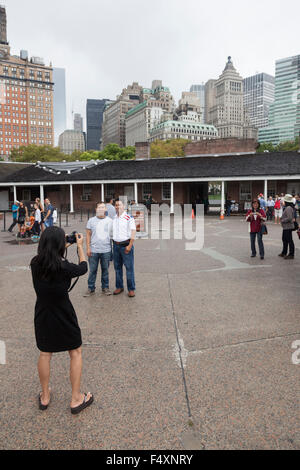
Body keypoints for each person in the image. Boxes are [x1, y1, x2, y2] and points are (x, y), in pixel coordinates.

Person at [30, 227, 93, 414]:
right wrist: (79, 246)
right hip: (64, 313)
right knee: (75, 351)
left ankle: (45, 396)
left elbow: (49, 257)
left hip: (42, 313)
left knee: (45, 353)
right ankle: (75, 398)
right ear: (59, 246)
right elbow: (83, 267)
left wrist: (59, 243)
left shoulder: (35, 263)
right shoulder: (64, 267)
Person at [84, 202, 113, 297]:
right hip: (94, 250)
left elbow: (112, 236)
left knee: (105, 270)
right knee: (92, 270)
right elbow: (88, 235)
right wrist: (88, 248)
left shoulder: (110, 221)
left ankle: (105, 287)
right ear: (96, 209)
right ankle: (91, 288)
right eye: (99, 207)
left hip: (106, 250)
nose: (101, 209)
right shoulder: (91, 221)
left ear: (105, 209)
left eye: (103, 207)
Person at [112, 199, 136, 297]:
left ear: (124, 206)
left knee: (129, 268)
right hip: (116, 246)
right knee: (117, 268)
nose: (117, 207)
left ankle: (131, 289)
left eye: (119, 205)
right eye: (116, 205)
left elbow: (133, 231)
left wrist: (129, 246)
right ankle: (119, 287)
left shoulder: (128, 217)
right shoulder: (114, 218)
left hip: (125, 245)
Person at [279, 194, 295, 260]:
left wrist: (282, 220)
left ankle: (291, 254)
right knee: (285, 240)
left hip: (288, 227)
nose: (283, 202)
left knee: (289, 240)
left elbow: (289, 218)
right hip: (286, 227)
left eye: (284, 201)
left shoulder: (288, 208)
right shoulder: (289, 207)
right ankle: (284, 252)